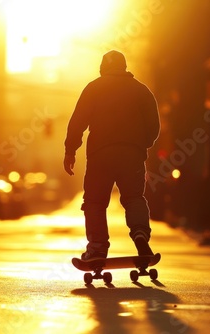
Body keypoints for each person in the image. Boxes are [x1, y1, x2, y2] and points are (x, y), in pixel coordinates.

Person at [63, 50, 160, 260]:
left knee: (95, 201)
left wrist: (70, 151)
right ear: (124, 67)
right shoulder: (141, 91)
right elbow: (154, 126)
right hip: (132, 155)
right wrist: (141, 145)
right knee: (134, 198)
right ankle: (140, 233)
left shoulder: (93, 88)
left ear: (102, 69)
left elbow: (77, 123)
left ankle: (97, 247)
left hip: (101, 155)